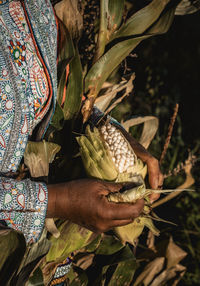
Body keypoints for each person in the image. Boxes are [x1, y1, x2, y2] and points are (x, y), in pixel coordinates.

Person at [0, 0, 163, 284]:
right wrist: (61, 201)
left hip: (43, 263)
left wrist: (109, 134)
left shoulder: (33, 5)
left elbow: (53, 100)